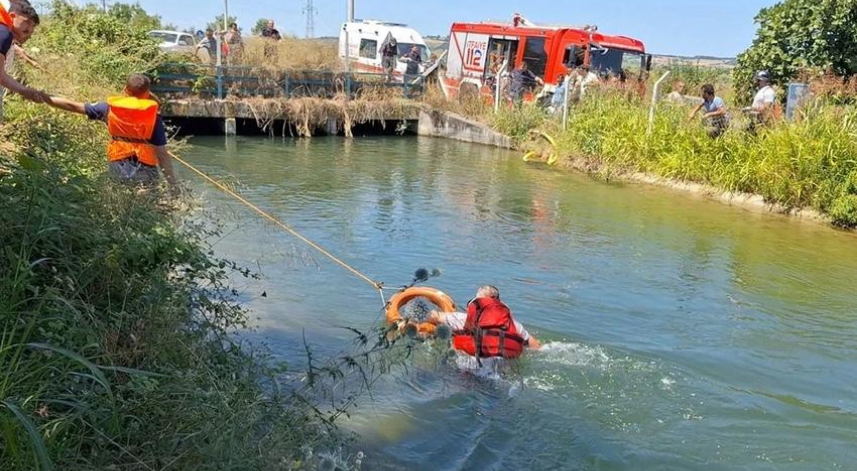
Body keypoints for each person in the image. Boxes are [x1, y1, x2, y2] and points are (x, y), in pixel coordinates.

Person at [44, 74, 179, 190]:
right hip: (144, 168)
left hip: (118, 166)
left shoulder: (108, 109)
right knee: (146, 198)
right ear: (147, 93)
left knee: (121, 197)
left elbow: (73, 105)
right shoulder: (153, 117)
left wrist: (42, 97)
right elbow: (161, 153)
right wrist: (173, 185)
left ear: (125, 89)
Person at [429, 285, 541, 367]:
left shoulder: (461, 319)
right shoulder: (515, 326)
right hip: (500, 375)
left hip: (471, 374)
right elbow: (536, 347)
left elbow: (433, 316)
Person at [0, 0, 48, 120]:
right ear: (12, 16)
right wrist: (25, 91)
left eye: (29, 35)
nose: (24, 37)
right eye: (25, 31)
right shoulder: (4, 34)